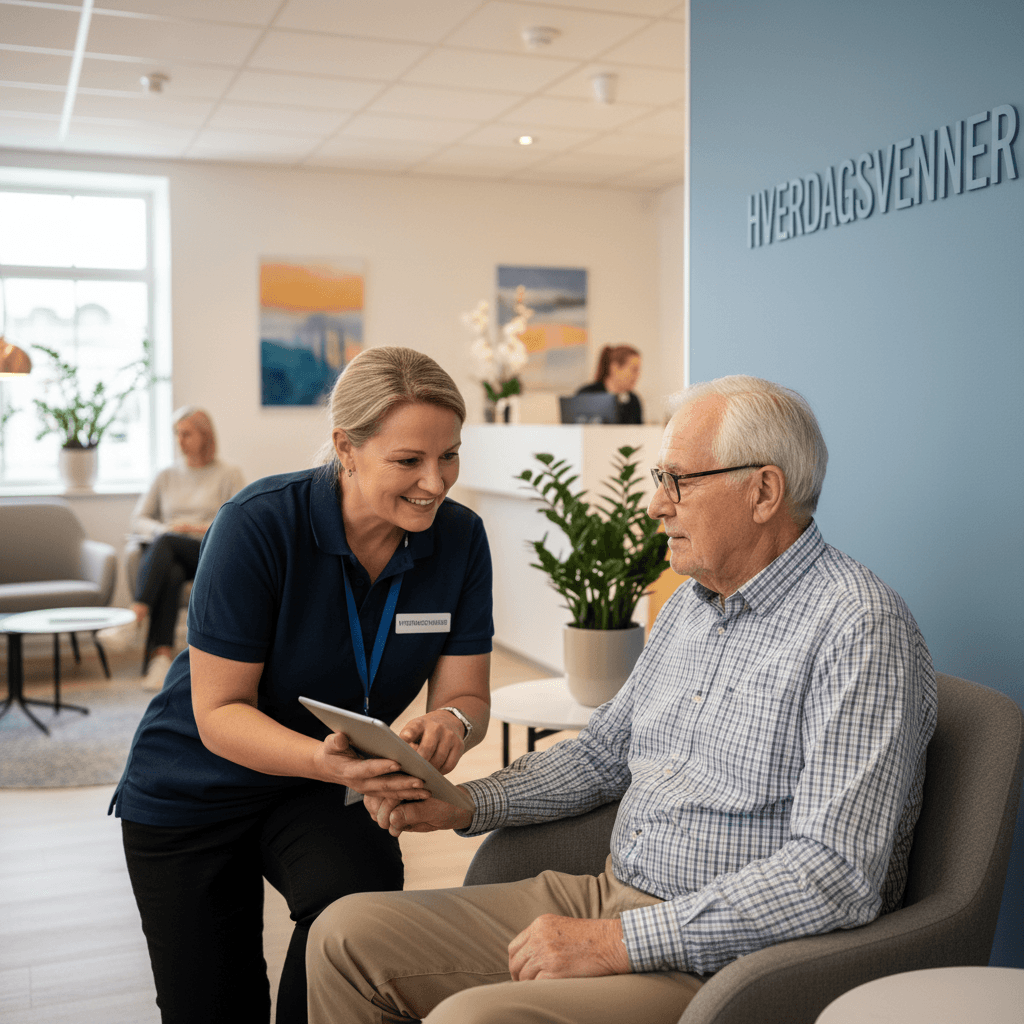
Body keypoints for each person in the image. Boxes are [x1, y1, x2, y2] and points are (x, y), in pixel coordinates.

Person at [306, 374, 937, 1024]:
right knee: (346, 937)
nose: (655, 506)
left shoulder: (858, 627)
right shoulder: (691, 608)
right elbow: (603, 755)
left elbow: (835, 876)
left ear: (764, 491)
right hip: (608, 895)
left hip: (726, 963)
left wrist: (619, 942)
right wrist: (466, 801)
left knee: (472, 1020)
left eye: (677, 481)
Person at [109, 347, 494, 1024]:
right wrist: (323, 758)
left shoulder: (460, 540)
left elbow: (467, 698)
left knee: (357, 933)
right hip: (193, 787)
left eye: (450, 456)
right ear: (347, 448)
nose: (436, 483)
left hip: (322, 790)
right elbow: (219, 711)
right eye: (409, 461)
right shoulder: (257, 523)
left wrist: (451, 726)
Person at [99, 406, 245, 690]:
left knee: (166, 543)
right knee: (172, 571)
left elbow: (240, 520)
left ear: (205, 435)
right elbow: (139, 519)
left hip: (209, 551)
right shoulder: (166, 475)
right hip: (173, 553)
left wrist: (200, 528)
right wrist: (165, 529)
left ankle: (135, 617)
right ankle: (161, 659)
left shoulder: (228, 474)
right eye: (177, 434)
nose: (179, 440)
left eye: (186, 434)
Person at [575, 344, 643, 423]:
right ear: (614, 368)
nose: (638, 375)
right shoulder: (587, 394)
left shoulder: (633, 400)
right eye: (634, 370)